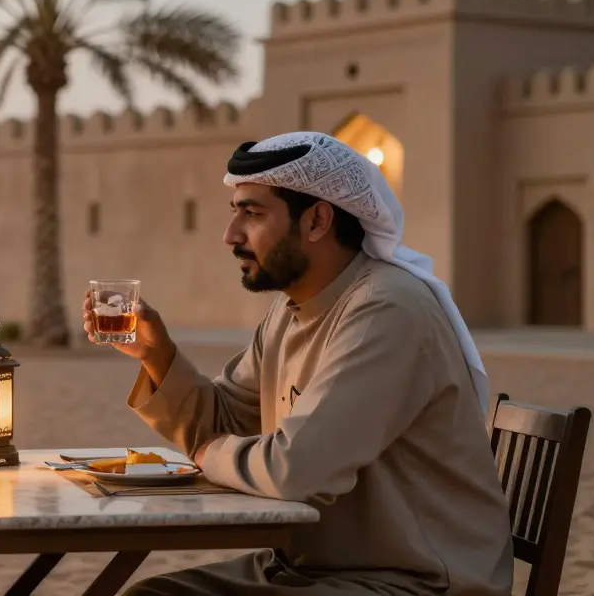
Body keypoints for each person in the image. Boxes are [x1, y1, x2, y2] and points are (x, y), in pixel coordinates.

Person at [83, 132, 514, 595]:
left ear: (317, 221)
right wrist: (156, 354)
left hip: (413, 580)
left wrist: (210, 454)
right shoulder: (290, 313)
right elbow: (225, 419)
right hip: (310, 569)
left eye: (251, 214)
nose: (230, 236)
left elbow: (296, 471)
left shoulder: (387, 310)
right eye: (236, 214)